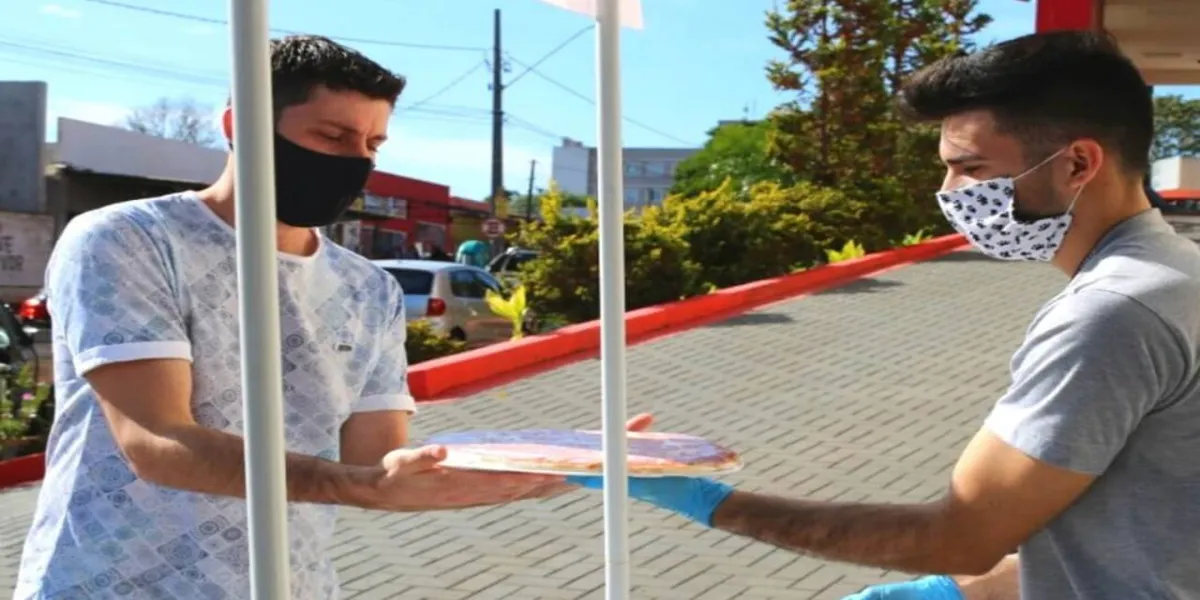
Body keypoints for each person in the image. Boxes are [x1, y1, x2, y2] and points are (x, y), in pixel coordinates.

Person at [14, 34, 650, 599]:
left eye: (373, 143)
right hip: (111, 582)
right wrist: (359, 486)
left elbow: (375, 462)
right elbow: (157, 443)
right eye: (332, 136)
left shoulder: (368, 288)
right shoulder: (128, 240)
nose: (357, 160)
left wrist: (534, 466)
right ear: (240, 124)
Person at [569, 31, 1200, 600]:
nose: (951, 194)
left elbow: (959, 537)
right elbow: (1148, 524)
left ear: (1078, 164)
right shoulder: (1179, 274)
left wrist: (712, 503)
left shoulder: (1111, 314)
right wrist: (973, 591)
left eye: (972, 169)